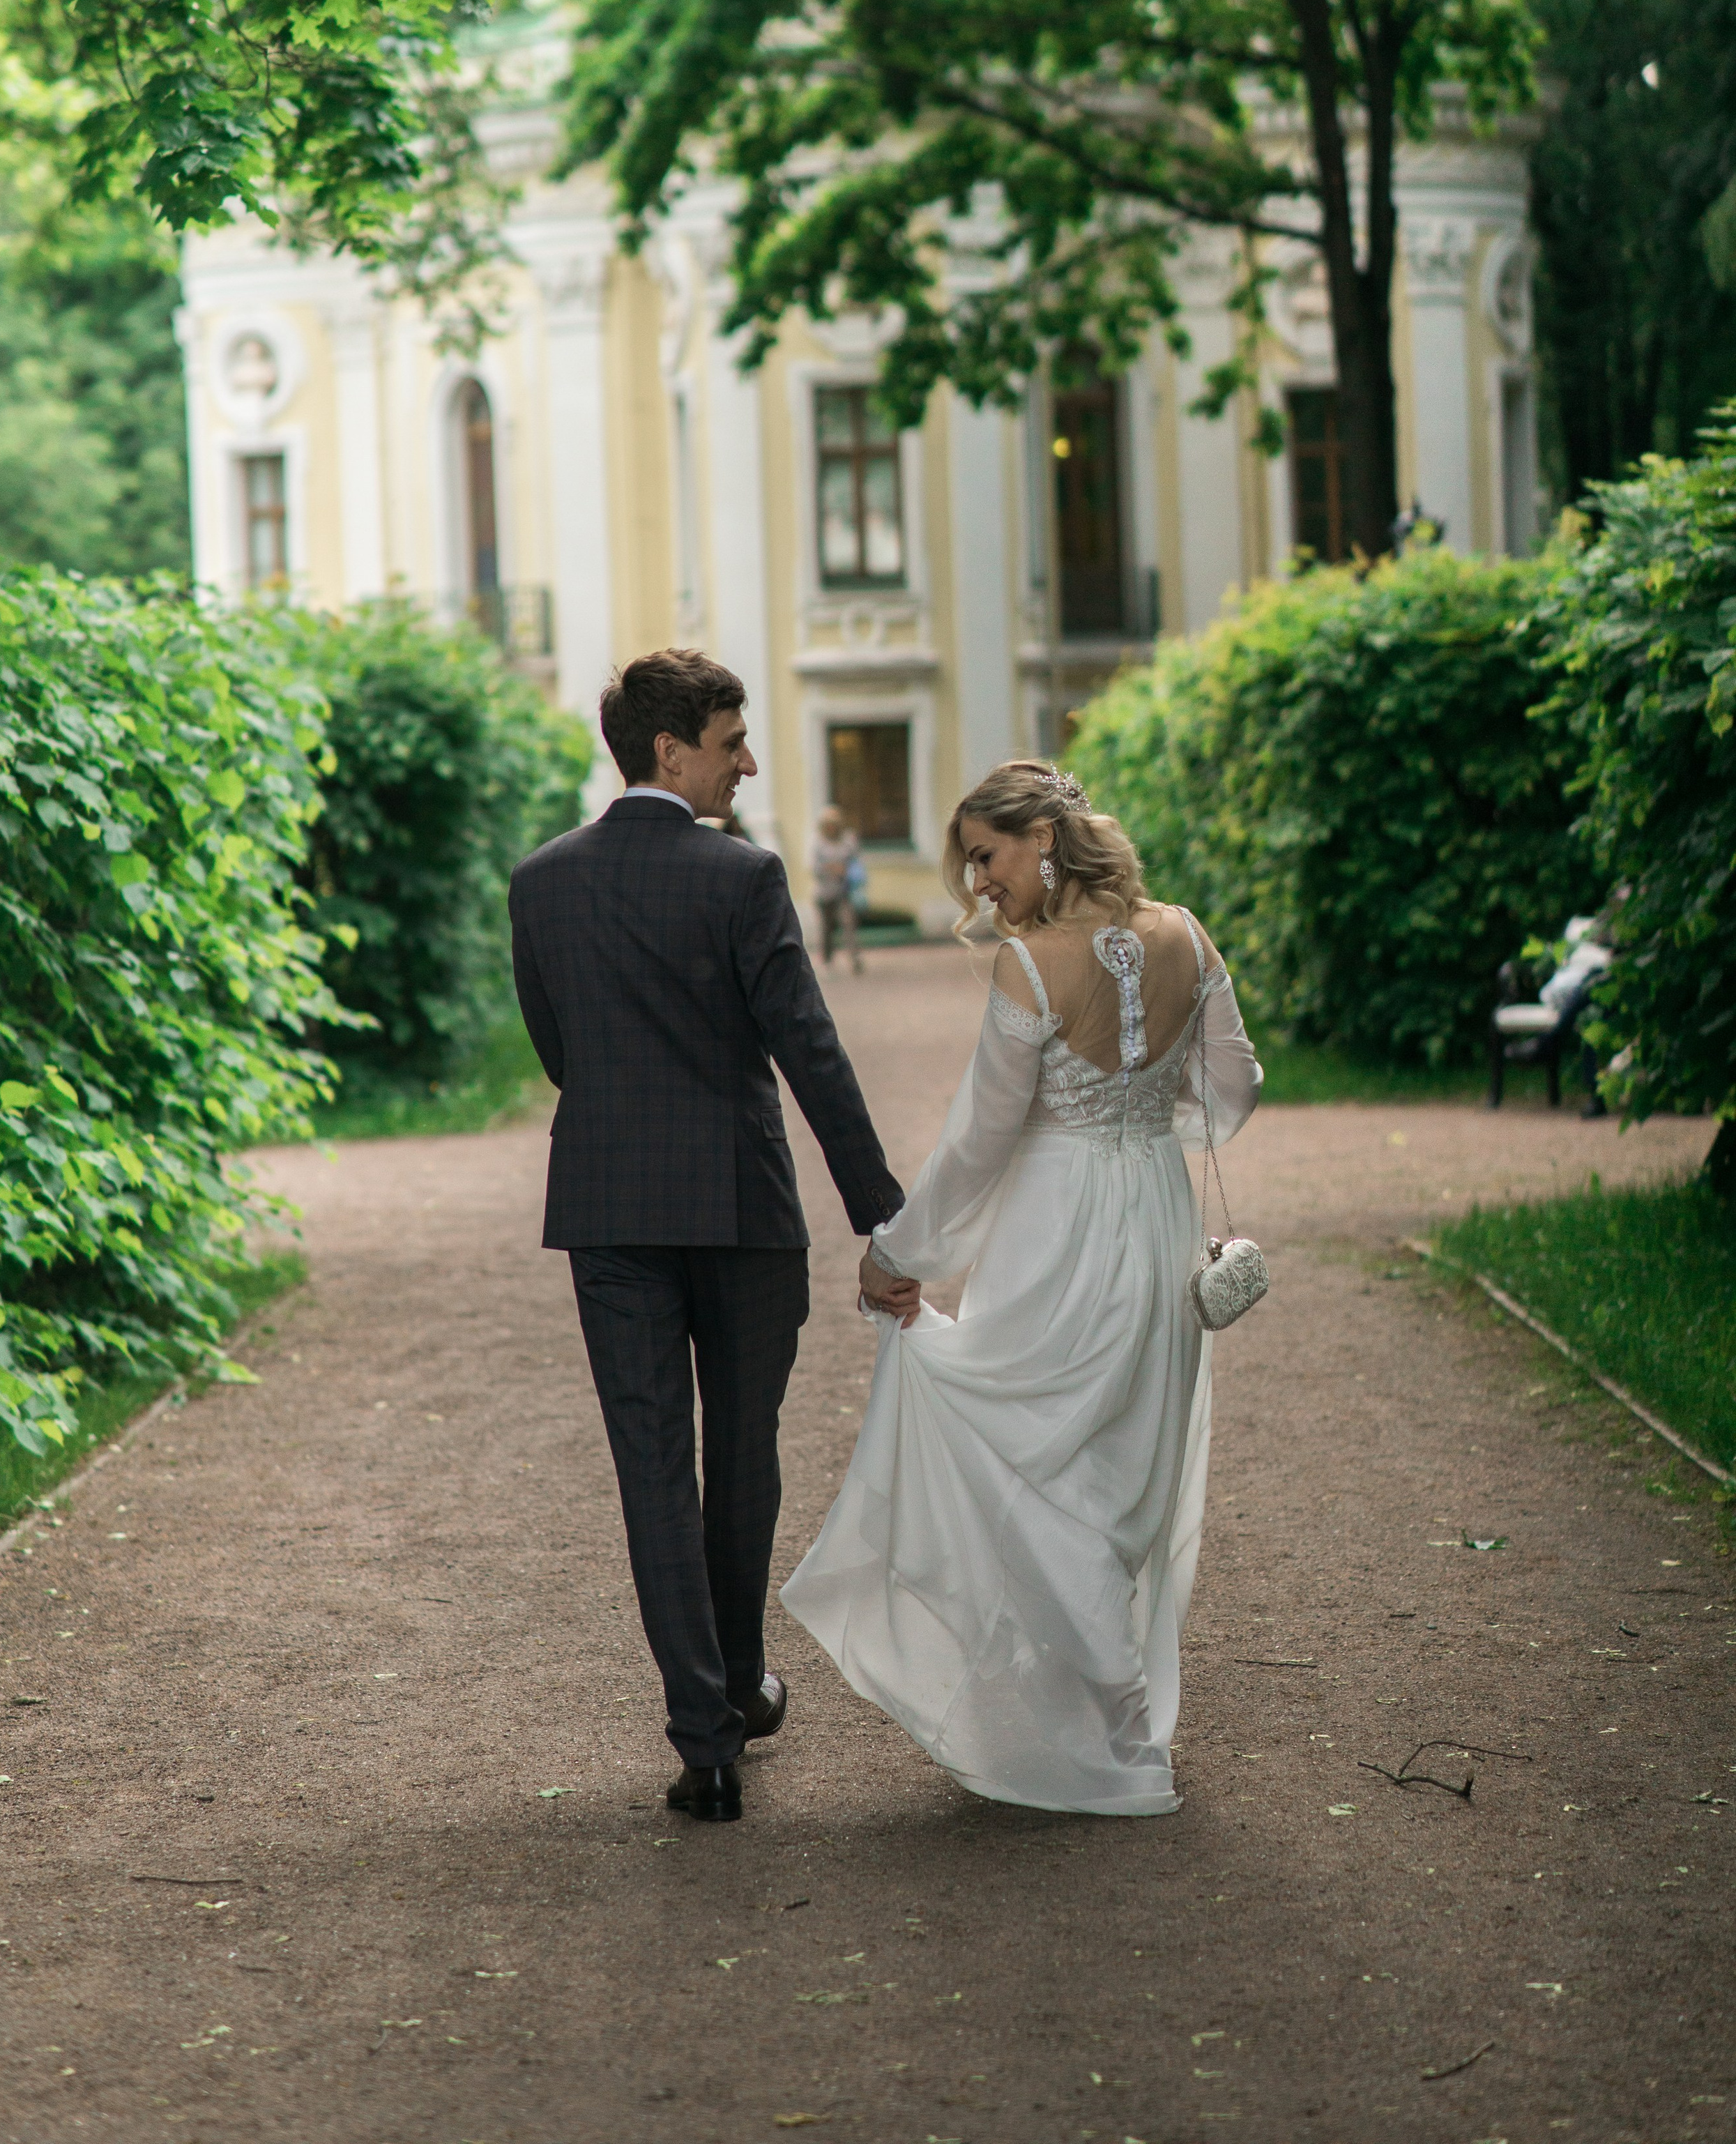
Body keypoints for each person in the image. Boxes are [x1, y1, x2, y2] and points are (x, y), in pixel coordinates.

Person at [781, 759, 1261, 1816]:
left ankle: (1104, 1724)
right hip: (1159, 1221)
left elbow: (980, 1143)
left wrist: (896, 1257)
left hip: (1057, 1229)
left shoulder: (1032, 967)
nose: (978, 886)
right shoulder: (1187, 931)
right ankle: (1116, 1721)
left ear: (1044, 837)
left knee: (1037, 1447)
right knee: (1125, 1460)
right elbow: (1234, 1088)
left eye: (986, 858)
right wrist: (1141, 1118)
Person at [509, 649, 904, 1824]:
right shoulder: (743, 876)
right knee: (740, 1457)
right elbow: (809, 1051)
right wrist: (881, 1207)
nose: (748, 762)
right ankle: (736, 1685)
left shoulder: (540, 883)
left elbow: (557, 1048)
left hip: (611, 1213)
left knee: (652, 1470)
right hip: (740, 1211)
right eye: (733, 742)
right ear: (668, 750)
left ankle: (709, 1742)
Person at [810, 804, 865, 973]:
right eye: (828, 824)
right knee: (826, 929)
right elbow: (814, 867)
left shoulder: (848, 839)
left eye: (834, 824)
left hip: (844, 891)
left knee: (849, 924)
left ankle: (854, 959)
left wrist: (845, 870)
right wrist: (833, 868)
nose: (832, 827)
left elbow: (856, 862)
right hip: (824, 893)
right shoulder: (818, 842)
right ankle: (827, 961)